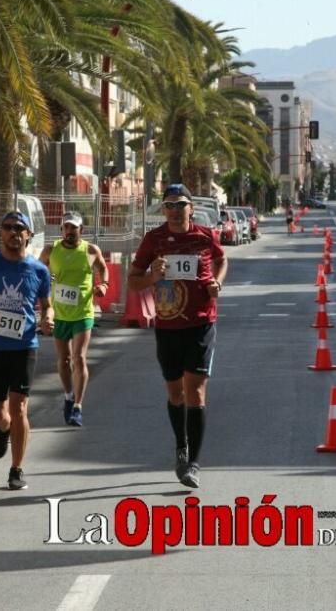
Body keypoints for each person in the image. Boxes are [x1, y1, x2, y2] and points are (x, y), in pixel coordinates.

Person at [127, 184, 227, 489]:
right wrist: (153, 277)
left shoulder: (204, 236)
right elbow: (133, 282)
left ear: (191, 207)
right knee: (175, 393)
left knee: (195, 392)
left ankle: (193, 463)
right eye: (168, 205)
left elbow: (222, 260)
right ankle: (181, 445)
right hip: (168, 327)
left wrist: (217, 284)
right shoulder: (153, 240)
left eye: (179, 204)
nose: (173, 210)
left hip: (201, 323)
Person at [0, 211, 53, 490]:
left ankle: (17, 469)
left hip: (25, 346)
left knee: (19, 407)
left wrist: (48, 317)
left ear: (28, 234)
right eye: (8, 227)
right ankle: (3, 429)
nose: (13, 232)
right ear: (0, 232)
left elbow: (47, 304)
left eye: (19, 228)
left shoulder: (39, 270)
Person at [38, 211, 109, 427]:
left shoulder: (90, 250)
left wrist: (104, 285)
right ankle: (68, 396)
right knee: (64, 360)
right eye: (66, 227)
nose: (70, 232)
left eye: (74, 228)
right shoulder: (51, 250)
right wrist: (45, 284)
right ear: (61, 230)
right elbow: (38, 273)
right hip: (59, 314)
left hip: (83, 313)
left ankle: (78, 406)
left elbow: (103, 269)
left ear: (81, 230)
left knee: (79, 358)